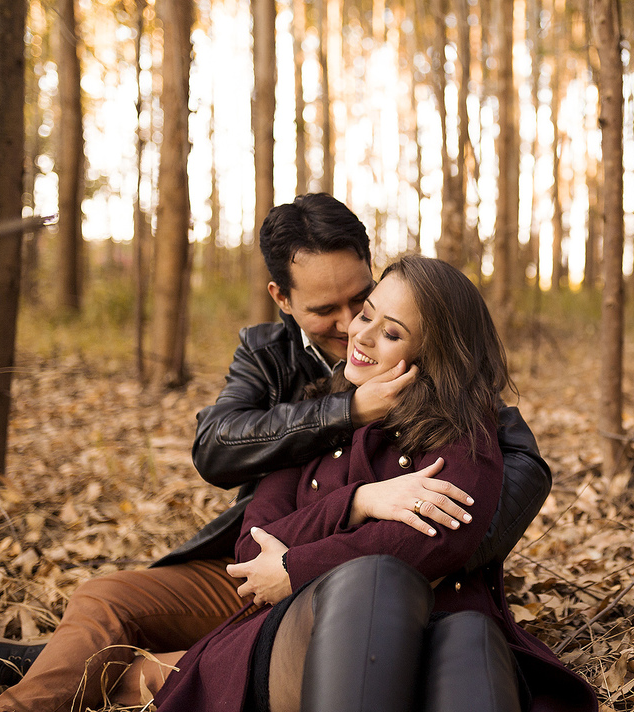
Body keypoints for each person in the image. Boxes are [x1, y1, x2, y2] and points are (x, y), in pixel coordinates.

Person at [0, 195, 552, 710]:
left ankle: (97, 671)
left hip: (355, 591)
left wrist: (333, 561)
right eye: (331, 309)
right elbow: (218, 452)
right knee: (105, 598)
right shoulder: (274, 362)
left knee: (365, 617)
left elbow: (466, 516)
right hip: (258, 569)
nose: (351, 327)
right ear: (283, 297)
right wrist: (354, 457)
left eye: (362, 301)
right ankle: (48, 680)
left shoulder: (459, 416)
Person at [141, 255, 596, 711]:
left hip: (442, 632)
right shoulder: (318, 418)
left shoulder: (461, 431)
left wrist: (294, 565)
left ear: (432, 354)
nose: (361, 335)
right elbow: (253, 546)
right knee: (372, 582)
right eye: (366, 314)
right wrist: (359, 502)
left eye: (392, 333)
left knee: (470, 632)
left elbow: (441, 537)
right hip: (302, 636)